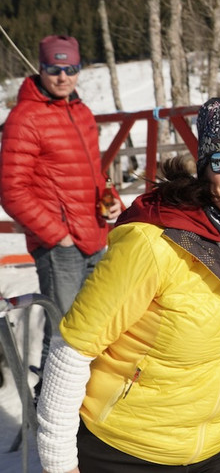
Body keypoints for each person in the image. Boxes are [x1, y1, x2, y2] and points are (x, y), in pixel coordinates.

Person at [35, 97, 220, 472]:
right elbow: (72, 349)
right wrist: (58, 464)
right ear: (205, 173)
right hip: (125, 452)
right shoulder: (153, 244)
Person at [0, 35, 122, 376]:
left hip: (96, 236)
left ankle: (85, 410)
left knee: (97, 326)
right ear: (41, 69)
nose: (63, 77)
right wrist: (57, 235)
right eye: (54, 69)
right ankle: (47, 409)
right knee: (64, 333)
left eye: (71, 68)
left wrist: (111, 200)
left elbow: (94, 174)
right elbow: (11, 190)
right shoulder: (25, 118)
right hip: (60, 249)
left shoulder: (80, 112)